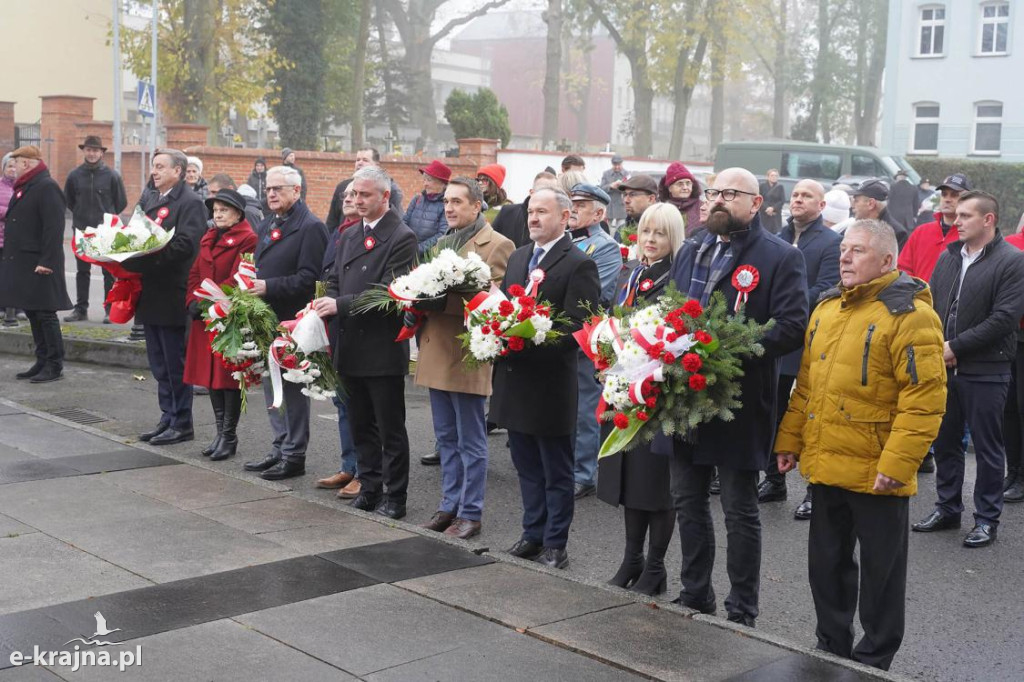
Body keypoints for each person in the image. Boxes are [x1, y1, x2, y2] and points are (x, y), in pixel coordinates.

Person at [775, 219, 946, 671]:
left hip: (879, 471)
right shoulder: (828, 309)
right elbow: (807, 386)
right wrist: (789, 439)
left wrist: (898, 464)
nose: (844, 258)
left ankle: (873, 660)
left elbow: (924, 401)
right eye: (844, 249)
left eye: (858, 251)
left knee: (881, 576)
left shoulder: (912, 315)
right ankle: (831, 648)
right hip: (827, 462)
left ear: (888, 261)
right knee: (826, 565)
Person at [656, 167, 808, 627]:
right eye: (714, 191)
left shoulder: (780, 256)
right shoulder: (693, 248)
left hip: (739, 400)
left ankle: (742, 608)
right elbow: (672, 309)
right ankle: (695, 592)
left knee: (739, 510)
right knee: (687, 499)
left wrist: (725, 347)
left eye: (731, 193)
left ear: (756, 203)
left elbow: (791, 325)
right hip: (683, 397)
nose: (718, 199)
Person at [490, 187, 601, 569]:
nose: (533, 218)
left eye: (542, 212)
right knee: (526, 466)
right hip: (515, 380)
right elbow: (504, 310)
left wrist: (534, 335)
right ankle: (531, 534)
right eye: (530, 212)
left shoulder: (578, 263)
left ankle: (556, 543)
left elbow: (578, 324)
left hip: (551, 384)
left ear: (565, 218)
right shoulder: (520, 256)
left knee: (556, 470)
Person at [914, 191, 1024, 547]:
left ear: (988, 220)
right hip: (944, 367)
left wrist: (955, 347)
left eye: (964, 216)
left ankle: (986, 519)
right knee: (946, 441)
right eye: (956, 215)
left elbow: (1005, 318)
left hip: (986, 368)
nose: (955, 221)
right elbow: (930, 303)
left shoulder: (1013, 261)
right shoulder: (949, 257)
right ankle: (947, 508)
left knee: (989, 448)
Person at [312, 166, 417, 519]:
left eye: (365, 195)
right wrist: (325, 302)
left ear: (385, 197)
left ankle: (395, 497)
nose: (357, 201)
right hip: (350, 345)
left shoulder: (401, 236)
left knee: (390, 428)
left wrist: (338, 305)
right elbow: (335, 279)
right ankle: (369, 488)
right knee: (360, 425)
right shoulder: (349, 234)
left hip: (381, 347)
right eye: (354, 194)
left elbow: (388, 293)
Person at [417, 177, 514, 539]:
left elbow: (494, 302)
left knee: (471, 439)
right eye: (446, 202)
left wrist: (438, 299)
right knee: (446, 437)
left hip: (466, 352)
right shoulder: (443, 242)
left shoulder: (499, 244)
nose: (449, 208)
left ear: (477, 206)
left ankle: (470, 513)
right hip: (437, 348)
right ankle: (448, 506)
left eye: (457, 201)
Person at [600, 203, 685, 595]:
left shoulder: (676, 279)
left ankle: (656, 567)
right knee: (630, 478)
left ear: (674, 239)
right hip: (625, 389)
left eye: (660, 234)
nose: (650, 240)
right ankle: (631, 558)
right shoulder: (631, 274)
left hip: (657, 393)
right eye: (645, 232)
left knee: (655, 483)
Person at [757, 179, 841, 520]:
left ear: (821, 206)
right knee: (775, 411)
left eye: (807, 196)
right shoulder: (776, 237)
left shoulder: (832, 242)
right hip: (779, 340)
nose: (798, 200)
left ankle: (812, 490)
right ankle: (774, 478)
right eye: (795, 195)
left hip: (811, 341)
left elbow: (828, 288)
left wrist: (787, 303)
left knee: (810, 414)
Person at [241, 165, 328, 481]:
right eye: (269, 189)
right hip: (266, 319)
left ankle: (294, 455)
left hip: (292, 322)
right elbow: (259, 266)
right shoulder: (267, 224)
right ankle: (278, 447)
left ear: (297, 190)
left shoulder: (311, 227)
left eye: (279, 189)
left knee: (291, 388)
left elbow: (309, 279)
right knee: (270, 384)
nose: (272, 194)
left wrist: (268, 286)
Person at [121, 149, 207, 444]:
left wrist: (143, 260)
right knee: (158, 362)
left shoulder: (191, 203)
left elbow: (186, 245)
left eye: (161, 167)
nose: (154, 171)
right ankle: (167, 417)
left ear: (178, 171)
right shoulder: (149, 198)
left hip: (173, 291)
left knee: (174, 361)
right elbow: (135, 233)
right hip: (151, 291)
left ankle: (182, 422)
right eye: (154, 167)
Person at [183, 189, 258, 461]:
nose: (218, 214)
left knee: (228, 378)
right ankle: (219, 433)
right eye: (215, 210)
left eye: (224, 209)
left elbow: (241, 277)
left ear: (238, 213)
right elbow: (195, 273)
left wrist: (208, 300)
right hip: (206, 318)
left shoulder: (248, 239)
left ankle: (229, 435)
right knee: (211, 379)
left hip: (228, 316)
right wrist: (192, 299)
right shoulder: (208, 237)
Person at [566, 183, 621, 500]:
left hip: (587, 336)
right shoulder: (568, 241)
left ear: (600, 212)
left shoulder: (605, 246)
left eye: (582, 204)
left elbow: (596, 296)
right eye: (572, 203)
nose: (574, 209)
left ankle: (583, 473)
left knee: (586, 407)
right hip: (563, 332)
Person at [0, 145, 73, 383]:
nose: (15, 166)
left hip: (41, 264)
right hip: (25, 262)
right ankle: (42, 360)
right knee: (33, 312)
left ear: (28, 163)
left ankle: (54, 364)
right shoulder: (27, 186)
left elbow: (54, 228)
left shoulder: (47, 187)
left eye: (18, 162)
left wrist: (47, 261)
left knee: (45, 313)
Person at [315, 186, 363, 500]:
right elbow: (329, 278)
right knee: (342, 402)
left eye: (357, 194)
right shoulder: (340, 233)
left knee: (362, 407)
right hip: (336, 326)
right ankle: (349, 465)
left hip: (361, 331)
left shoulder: (387, 236)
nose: (348, 199)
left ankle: (364, 471)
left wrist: (337, 303)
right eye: (345, 194)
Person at [63, 135, 128, 324]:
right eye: (89, 150)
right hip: (82, 230)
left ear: (101, 153)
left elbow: (120, 202)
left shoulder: (112, 176)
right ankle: (81, 309)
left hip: (105, 231)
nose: (92, 154)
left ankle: (109, 310)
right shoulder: (74, 175)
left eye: (95, 150)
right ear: (84, 151)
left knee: (108, 271)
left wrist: (105, 218)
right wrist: (82, 216)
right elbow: (69, 200)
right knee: (82, 271)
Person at [898, 174, 970, 283]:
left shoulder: (972, 236)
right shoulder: (921, 232)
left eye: (954, 195)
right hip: (918, 298)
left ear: (967, 200)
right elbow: (903, 268)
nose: (947, 199)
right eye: (944, 194)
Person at [325, 147, 403, 228]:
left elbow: (395, 219)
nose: (360, 163)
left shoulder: (390, 189)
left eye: (365, 160)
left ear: (376, 165)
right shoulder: (342, 187)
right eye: (358, 160)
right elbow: (332, 222)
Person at [1003, 227, 1024, 502]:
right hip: (1009, 334)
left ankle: (1022, 476)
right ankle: (1014, 470)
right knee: (1008, 407)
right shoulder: (1010, 243)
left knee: (1022, 407)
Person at [493, 172, 557, 248]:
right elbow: (491, 241)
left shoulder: (557, 218)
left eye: (554, 192)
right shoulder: (507, 213)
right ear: (532, 193)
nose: (548, 197)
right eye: (543, 192)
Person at [405, 160, 451, 254]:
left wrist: (417, 249)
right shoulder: (417, 199)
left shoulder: (446, 205)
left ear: (441, 183)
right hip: (407, 251)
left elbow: (442, 234)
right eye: (424, 180)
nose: (425, 184)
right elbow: (403, 223)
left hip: (428, 257)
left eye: (429, 180)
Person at [851, 179, 908, 249]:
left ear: (871, 204)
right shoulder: (855, 226)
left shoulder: (897, 234)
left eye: (856, 201)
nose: (852, 205)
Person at [659, 162, 702, 237]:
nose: (685, 187)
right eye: (680, 184)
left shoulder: (702, 207)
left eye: (688, 183)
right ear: (670, 188)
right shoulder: (662, 209)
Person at [1, 153, 19, 326]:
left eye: (15, 166)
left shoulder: (23, 186)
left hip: (18, 239)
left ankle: (16, 308)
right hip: (1, 238)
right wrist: (11, 213)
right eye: (9, 166)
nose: (13, 169)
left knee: (16, 275)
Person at [617, 174, 659, 240]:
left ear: (651, 199)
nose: (626, 200)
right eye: (625, 194)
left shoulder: (663, 230)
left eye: (632, 194)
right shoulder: (621, 231)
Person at [600, 155, 629, 228]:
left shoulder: (627, 174)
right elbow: (601, 189)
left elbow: (630, 189)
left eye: (619, 165)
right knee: (609, 231)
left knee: (621, 231)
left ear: (622, 164)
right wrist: (610, 186)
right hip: (610, 208)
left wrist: (622, 186)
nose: (617, 167)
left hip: (622, 208)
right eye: (615, 165)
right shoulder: (606, 174)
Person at [758, 169, 786, 234]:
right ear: (768, 177)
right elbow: (759, 198)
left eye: (776, 176)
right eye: (772, 175)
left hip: (775, 214)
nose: (774, 177)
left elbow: (782, 200)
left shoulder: (780, 187)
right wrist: (767, 208)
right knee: (762, 232)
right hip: (764, 213)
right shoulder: (762, 186)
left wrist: (773, 208)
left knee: (774, 234)